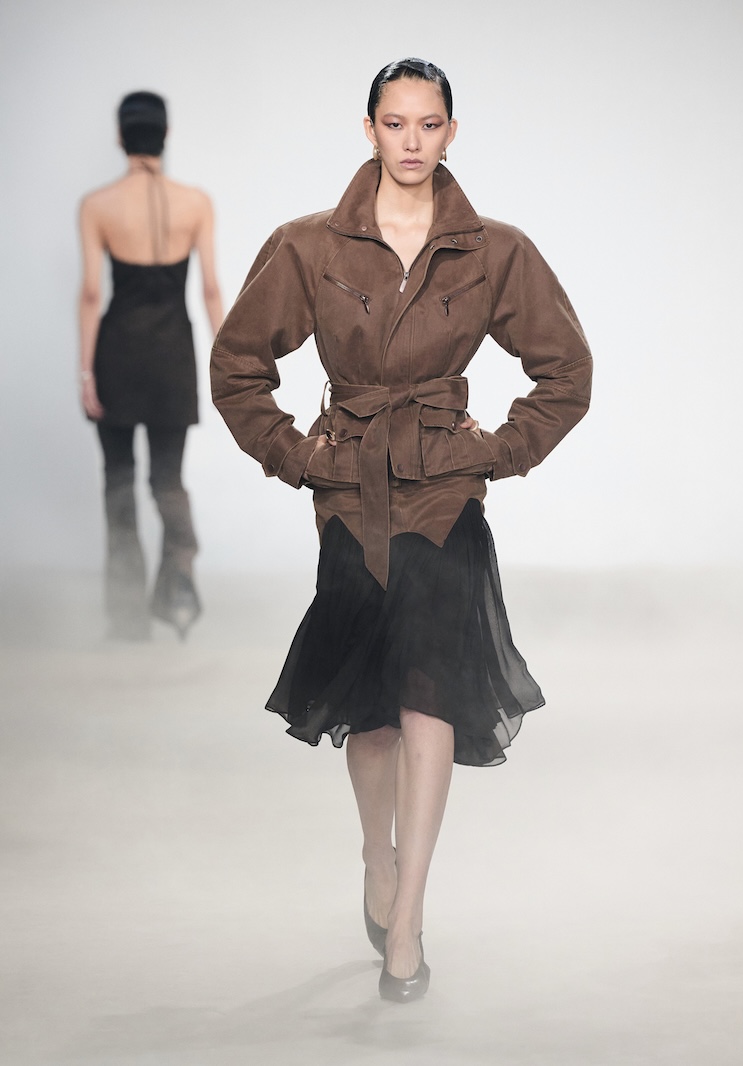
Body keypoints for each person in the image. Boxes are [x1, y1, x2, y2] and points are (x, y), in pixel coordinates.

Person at [211, 59, 592, 1001]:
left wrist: (496, 451)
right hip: (350, 493)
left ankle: (410, 915)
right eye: (395, 122)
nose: (412, 140)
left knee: (429, 699)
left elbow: (566, 371)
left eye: (428, 123)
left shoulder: (494, 250)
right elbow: (237, 365)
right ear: (370, 129)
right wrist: (298, 456)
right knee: (372, 715)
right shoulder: (309, 245)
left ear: (452, 131)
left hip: (445, 497)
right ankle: (375, 858)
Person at [78, 91, 223, 640]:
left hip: (116, 354)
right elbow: (210, 290)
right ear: (166, 135)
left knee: (118, 483)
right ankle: (179, 576)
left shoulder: (97, 205)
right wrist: (227, 363)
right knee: (168, 481)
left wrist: (85, 372)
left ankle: (126, 620)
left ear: (120, 136)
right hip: (172, 357)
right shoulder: (196, 202)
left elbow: (91, 294)